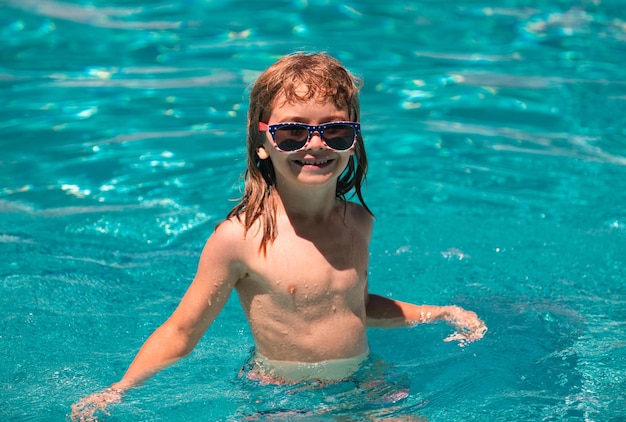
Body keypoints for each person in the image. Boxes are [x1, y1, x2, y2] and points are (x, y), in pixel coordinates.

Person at [70, 52, 487, 420]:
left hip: (364, 382)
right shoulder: (240, 239)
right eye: (293, 133)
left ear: (353, 140)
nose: (316, 144)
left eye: (335, 131)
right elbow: (182, 332)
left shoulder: (358, 221)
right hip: (280, 395)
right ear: (263, 143)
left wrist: (437, 313)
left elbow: (353, 305)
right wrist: (119, 390)